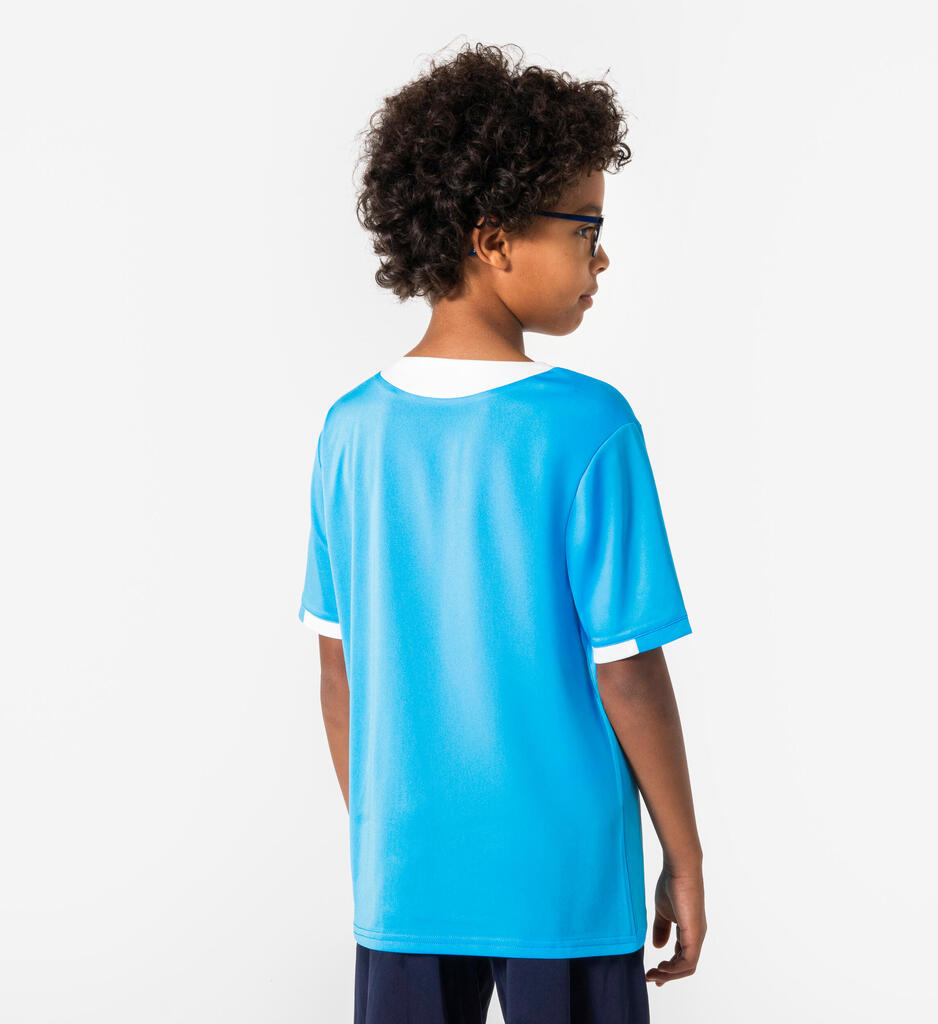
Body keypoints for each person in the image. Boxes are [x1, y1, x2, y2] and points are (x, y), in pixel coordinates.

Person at [298, 42, 707, 1024]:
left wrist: (390, 847)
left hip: (405, 881)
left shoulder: (350, 431)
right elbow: (627, 671)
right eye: (584, 228)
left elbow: (338, 673)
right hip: (562, 881)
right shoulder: (588, 426)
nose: (599, 257)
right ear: (492, 238)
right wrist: (683, 855)